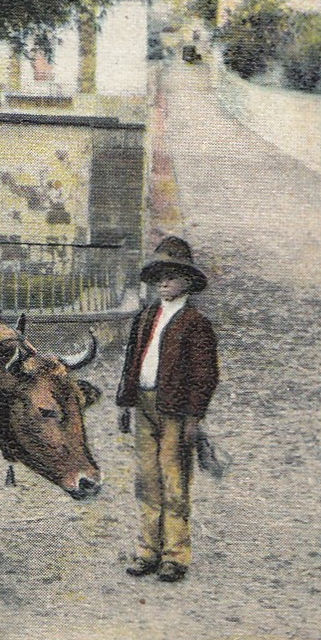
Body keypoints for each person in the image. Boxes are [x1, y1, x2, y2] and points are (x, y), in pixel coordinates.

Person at [115, 236, 220, 583]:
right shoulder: (146, 318)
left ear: (187, 281)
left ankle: (175, 554)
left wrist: (193, 418)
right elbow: (132, 362)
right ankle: (148, 549)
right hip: (145, 405)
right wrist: (125, 403)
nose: (163, 282)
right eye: (159, 275)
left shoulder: (196, 324)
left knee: (173, 480)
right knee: (146, 479)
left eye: (171, 276)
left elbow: (205, 376)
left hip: (175, 411)